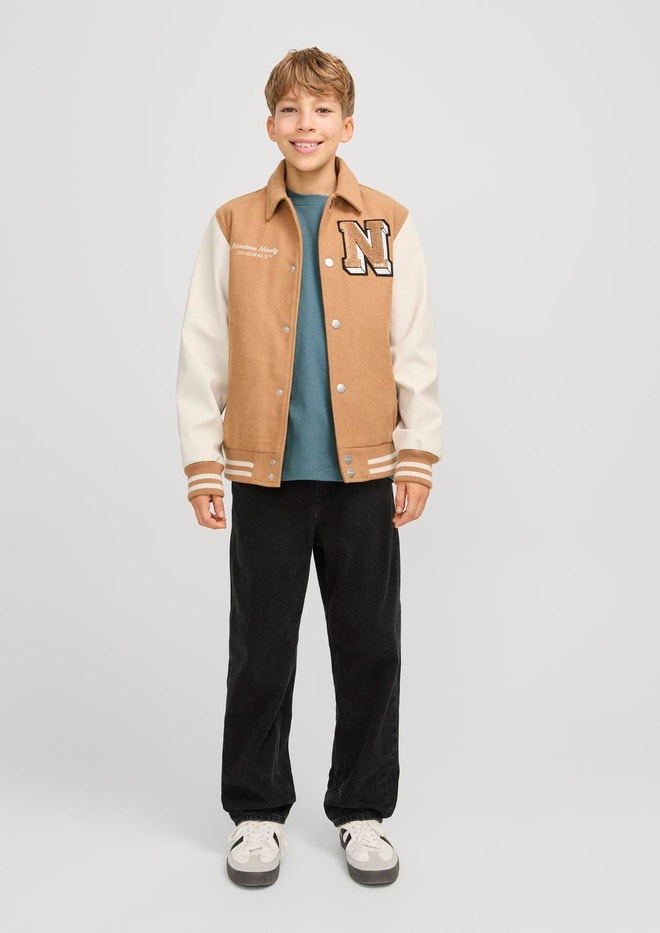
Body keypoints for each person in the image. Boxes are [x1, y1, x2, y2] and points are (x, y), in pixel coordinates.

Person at [175, 46, 444, 887]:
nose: (306, 125)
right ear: (270, 124)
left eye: (322, 110)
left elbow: (414, 346)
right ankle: (256, 812)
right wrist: (202, 460)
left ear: (347, 125)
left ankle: (363, 808)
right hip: (267, 478)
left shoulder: (388, 223)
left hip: (366, 477)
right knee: (261, 650)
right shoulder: (234, 224)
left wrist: (418, 452)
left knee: (369, 647)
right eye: (291, 110)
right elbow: (202, 347)